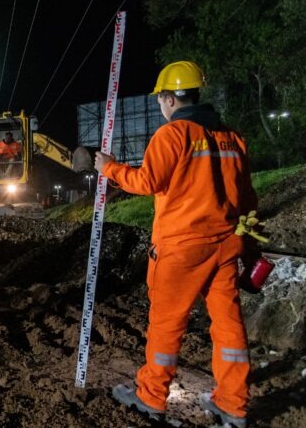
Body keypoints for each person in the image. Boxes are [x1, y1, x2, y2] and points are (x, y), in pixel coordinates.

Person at [98, 61, 256, 428]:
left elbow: (147, 182)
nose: (159, 105)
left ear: (170, 98)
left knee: (167, 326)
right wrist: (249, 244)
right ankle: (233, 404)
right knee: (229, 325)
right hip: (226, 245)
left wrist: (108, 168)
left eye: (159, 99)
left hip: (182, 248)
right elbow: (248, 198)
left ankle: (151, 397)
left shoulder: (173, 135)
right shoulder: (233, 139)